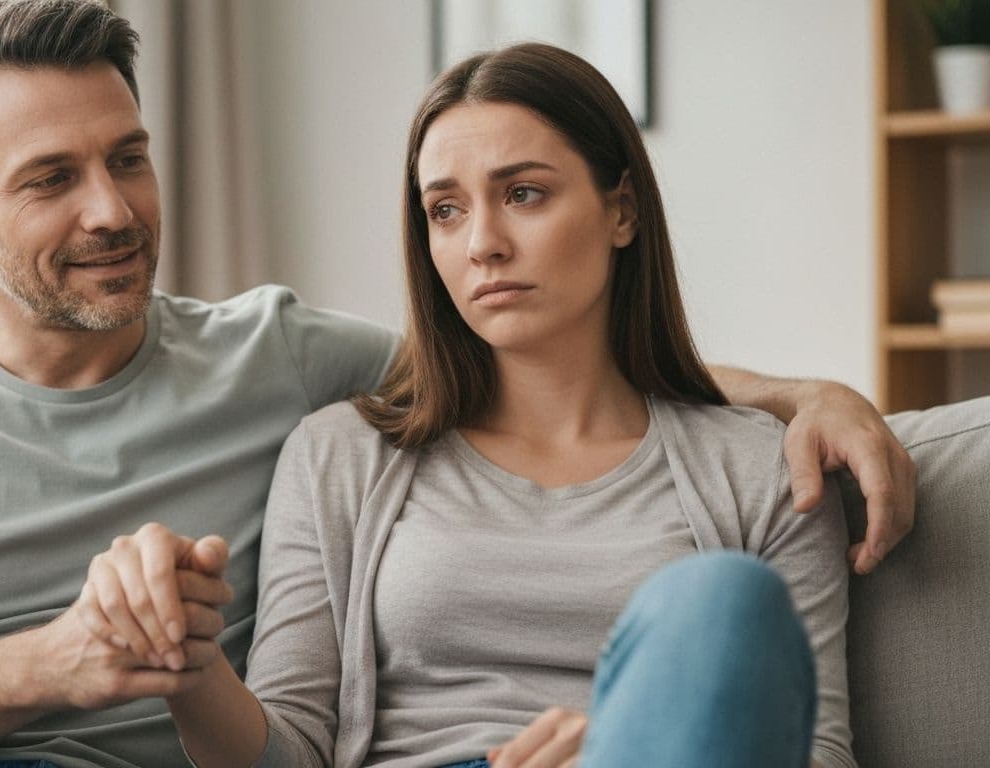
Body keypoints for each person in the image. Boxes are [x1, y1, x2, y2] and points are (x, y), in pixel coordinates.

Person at [0, 3, 905, 767]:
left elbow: (524, 360)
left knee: (721, 603)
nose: (113, 210)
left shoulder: (283, 363)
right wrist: (62, 660)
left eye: (131, 158)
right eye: (51, 179)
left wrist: (797, 393)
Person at [83, 43, 858, 768]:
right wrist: (187, 666)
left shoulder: (764, 468)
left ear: (622, 211)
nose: (482, 242)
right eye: (445, 210)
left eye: (523, 194)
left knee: (723, 600)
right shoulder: (341, 453)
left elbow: (813, 751)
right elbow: (290, 750)